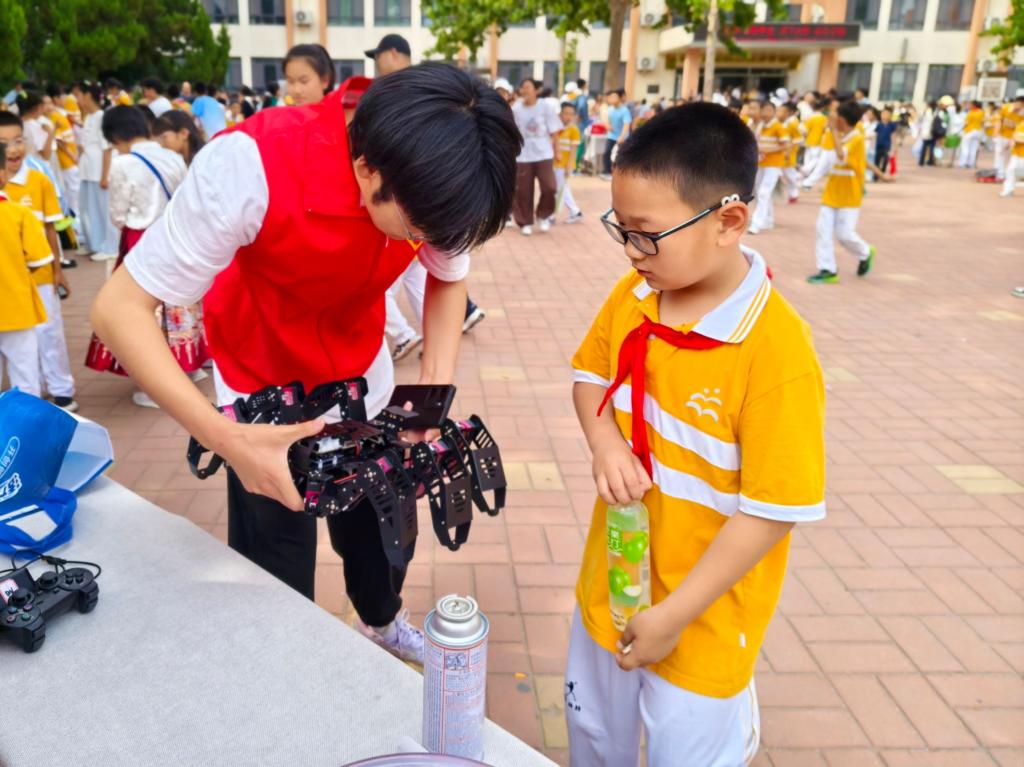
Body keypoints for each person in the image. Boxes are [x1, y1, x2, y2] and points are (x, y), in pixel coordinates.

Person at [89, 64, 521, 664]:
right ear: (367, 170)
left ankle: (381, 620)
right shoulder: (248, 166)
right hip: (263, 402)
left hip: (364, 385)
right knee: (277, 567)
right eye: (422, 229)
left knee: (381, 534)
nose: (434, 240)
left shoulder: (435, 184)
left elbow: (448, 278)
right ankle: (288, 665)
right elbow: (118, 309)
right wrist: (226, 438)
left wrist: (433, 388)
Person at [567, 102, 825, 767]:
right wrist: (606, 444)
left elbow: (771, 510)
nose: (632, 252)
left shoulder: (776, 351)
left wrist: (674, 614)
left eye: (648, 234)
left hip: (705, 617)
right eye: (621, 229)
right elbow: (590, 377)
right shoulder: (635, 295)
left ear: (729, 221)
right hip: (612, 583)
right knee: (593, 736)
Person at [84, 106, 193, 406]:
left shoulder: (123, 163)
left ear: (116, 136)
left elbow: (118, 213)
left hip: (140, 239)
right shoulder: (171, 156)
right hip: (173, 236)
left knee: (139, 308)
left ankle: (156, 384)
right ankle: (186, 364)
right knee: (177, 304)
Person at [0, 112, 78, 411]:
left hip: (41, 276)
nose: (13, 149)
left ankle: (60, 389)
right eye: (4, 143)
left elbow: (50, 228)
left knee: (49, 334)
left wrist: (58, 269)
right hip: (11, 284)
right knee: (20, 346)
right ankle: (24, 400)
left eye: (18, 140)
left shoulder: (39, 180)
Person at [0, 142, 51, 398]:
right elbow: (40, 259)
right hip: (16, 307)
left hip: (16, 309)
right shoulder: (19, 213)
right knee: (25, 376)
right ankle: (26, 423)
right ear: (2, 175)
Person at [808, 100, 876, 284]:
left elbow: (841, 154)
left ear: (841, 120)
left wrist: (832, 130)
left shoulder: (857, 138)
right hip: (832, 192)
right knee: (822, 230)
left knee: (844, 234)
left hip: (849, 195)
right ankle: (828, 269)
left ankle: (865, 252)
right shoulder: (840, 136)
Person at [76, 81, 120, 260]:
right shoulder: (88, 117)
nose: (77, 99)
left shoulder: (102, 117)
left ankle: (110, 247)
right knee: (87, 209)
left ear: (88, 96)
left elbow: (106, 149)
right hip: (87, 170)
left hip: (98, 170)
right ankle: (93, 243)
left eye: (79, 95)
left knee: (103, 210)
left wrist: (105, 176)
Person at [511, 78, 562, 235]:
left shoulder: (545, 106)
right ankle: (525, 222)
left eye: (528, 87)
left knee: (550, 186)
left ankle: (543, 215)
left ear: (536, 90)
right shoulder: (516, 108)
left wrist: (557, 151)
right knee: (523, 190)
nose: (524, 90)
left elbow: (554, 130)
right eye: (522, 87)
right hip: (523, 155)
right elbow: (511, 131)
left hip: (544, 153)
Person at [748, 101, 789, 235]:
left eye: (769, 110)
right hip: (761, 163)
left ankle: (756, 223)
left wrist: (767, 150)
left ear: (773, 112)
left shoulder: (778, 126)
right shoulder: (760, 126)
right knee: (760, 192)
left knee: (764, 192)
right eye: (764, 110)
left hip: (774, 165)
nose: (766, 113)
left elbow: (786, 145)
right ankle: (768, 220)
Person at [553, 101, 583, 224]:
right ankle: (575, 211)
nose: (568, 116)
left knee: (560, 189)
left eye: (571, 114)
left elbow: (573, 150)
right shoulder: (557, 128)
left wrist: (569, 166)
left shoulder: (574, 130)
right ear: (560, 114)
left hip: (564, 165)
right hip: (555, 163)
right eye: (566, 113)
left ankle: (553, 215)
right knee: (563, 188)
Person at [1000, 98, 1024, 197]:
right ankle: (1008, 190)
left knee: (1017, 172)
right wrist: (1010, 143)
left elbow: (1018, 138)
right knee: (1010, 170)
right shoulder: (1021, 123)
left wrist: (1017, 139)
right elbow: (1015, 136)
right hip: (1017, 153)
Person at [779, 102, 802, 203]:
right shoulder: (781, 123)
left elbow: (798, 139)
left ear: (789, 112)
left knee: (789, 174)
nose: (779, 113)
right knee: (784, 173)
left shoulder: (792, 123)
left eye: (782, 111)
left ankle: (794, 193)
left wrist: (790, 150)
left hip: (789, 153)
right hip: (780, 152)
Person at [800, 98, 828, 176]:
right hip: (818, 141)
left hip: (808, 140)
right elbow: (825, 130)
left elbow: (804, 131)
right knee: (816, 158)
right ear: (822, 108)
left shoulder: (810, 118)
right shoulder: (824, 118)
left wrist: (805, 138)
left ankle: (805, 173)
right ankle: (805, 170)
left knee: (807, 157)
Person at [874, 107, 898, 176]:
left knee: (885, 160)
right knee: (877, 160)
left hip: (887, 145)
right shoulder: (879, 124)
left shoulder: (892, 125)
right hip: (878, 144)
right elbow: (876, 134)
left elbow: (893, 136)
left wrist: (895, 146)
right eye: (883, 114)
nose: (884, 116)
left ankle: (882, 172)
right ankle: (876, 175)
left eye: (886, 114)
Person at [919, 100, 940, 167]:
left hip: (928, 132)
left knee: (924, 147)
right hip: (933, 132)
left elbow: (920, 120)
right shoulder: (937, 112)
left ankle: (922, 161)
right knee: (931, 147)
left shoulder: (926, 112)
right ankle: (930, 161)